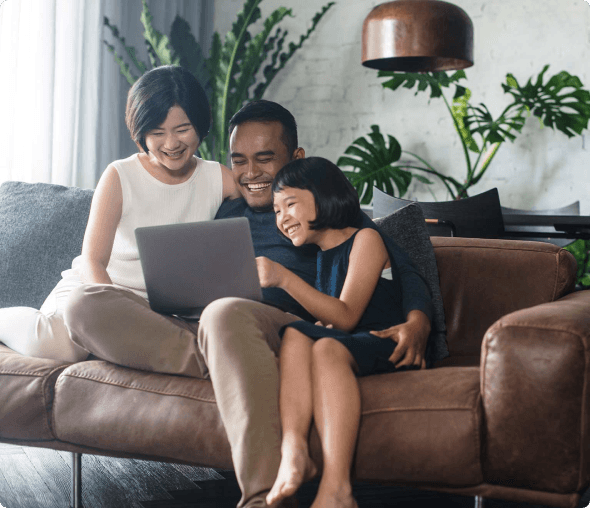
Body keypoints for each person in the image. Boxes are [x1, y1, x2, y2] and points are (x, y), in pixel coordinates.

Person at [65, 99, 435, 508]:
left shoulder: (315, 205)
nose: (250, 173)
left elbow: (404, 266)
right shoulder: (225, 205)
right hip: (207, 327)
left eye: (264, 159)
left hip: (274, 330)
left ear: (295, 158)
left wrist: (418, 321)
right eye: (238, 160)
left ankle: (260, 495)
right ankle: (228, 363)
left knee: (225, 312)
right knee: (83, 305)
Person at [0, 65, 238, 362]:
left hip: (157, 308)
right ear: (141, 133)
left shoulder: (217, 177)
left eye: (182, 129)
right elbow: (92, 260)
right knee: (60, 347)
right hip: (95, 290)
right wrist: (112, 311)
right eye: (157, 133)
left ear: (200, 125)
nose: (171, 143)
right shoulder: (120, 175)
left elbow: (267, 198)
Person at [257, 157, 415, 508]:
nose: (281, 218)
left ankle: (337, 489)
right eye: (276, 210)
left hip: (386, 344)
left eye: (290, 204)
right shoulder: (322, 257)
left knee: (325, 348)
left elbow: (346, 317)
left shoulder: (367, 240)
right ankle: (294, 448)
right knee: (296, 334)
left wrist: (284, 278)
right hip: (356, 344)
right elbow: (335, 322)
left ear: (323, 195)